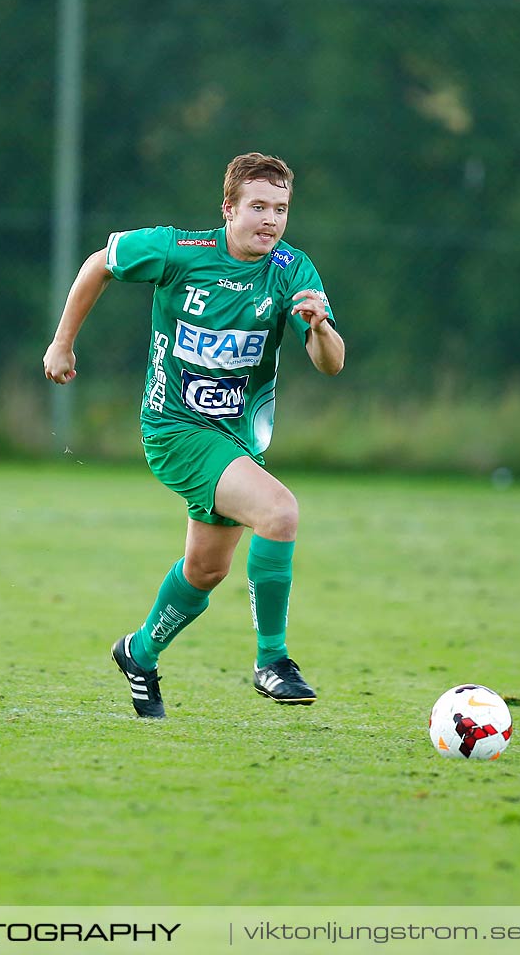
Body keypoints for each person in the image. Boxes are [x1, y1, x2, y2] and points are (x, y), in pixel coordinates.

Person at [43, 152, 345, 719]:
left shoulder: (291, 268)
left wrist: (320, 326)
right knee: (279, 513)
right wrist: (62, 343)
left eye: (280, 209)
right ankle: (272, 661)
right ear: (228, 208)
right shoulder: (178, 250)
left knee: (206, 569)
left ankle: (138, 651)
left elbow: (330, 364)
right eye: (258, 207)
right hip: (174, 429)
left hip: (237, 442)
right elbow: (98, 264)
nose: (271, 221)